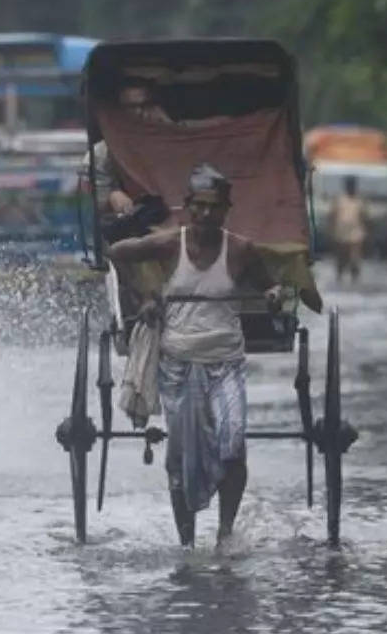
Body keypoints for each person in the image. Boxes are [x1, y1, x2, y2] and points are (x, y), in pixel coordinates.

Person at [107, 163, 281, 549]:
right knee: (179, 460)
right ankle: (186, 543)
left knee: (233, 445)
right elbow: (118, 252)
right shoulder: (171, 243)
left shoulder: (241, 250)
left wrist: (273, 296)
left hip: (226, 363)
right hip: (178, 364)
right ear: (188, 207)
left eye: (213, 207)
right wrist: (146, 296)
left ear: (225, 209)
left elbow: (270, 286)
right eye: (198, 206)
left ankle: (224, 534)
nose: (205, 214)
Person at [328, 175, 367, 283]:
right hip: (341, 232)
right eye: (349, 185)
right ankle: (339, 275)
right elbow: (332, 215)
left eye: (352, 185)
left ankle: (355, 277)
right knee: (341, 256)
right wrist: (331, 230)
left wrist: (366, 231)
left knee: (355, 257)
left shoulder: (360, 200)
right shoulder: (339, 199)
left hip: (356, 232)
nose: (351, 187)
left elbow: (364, 216)